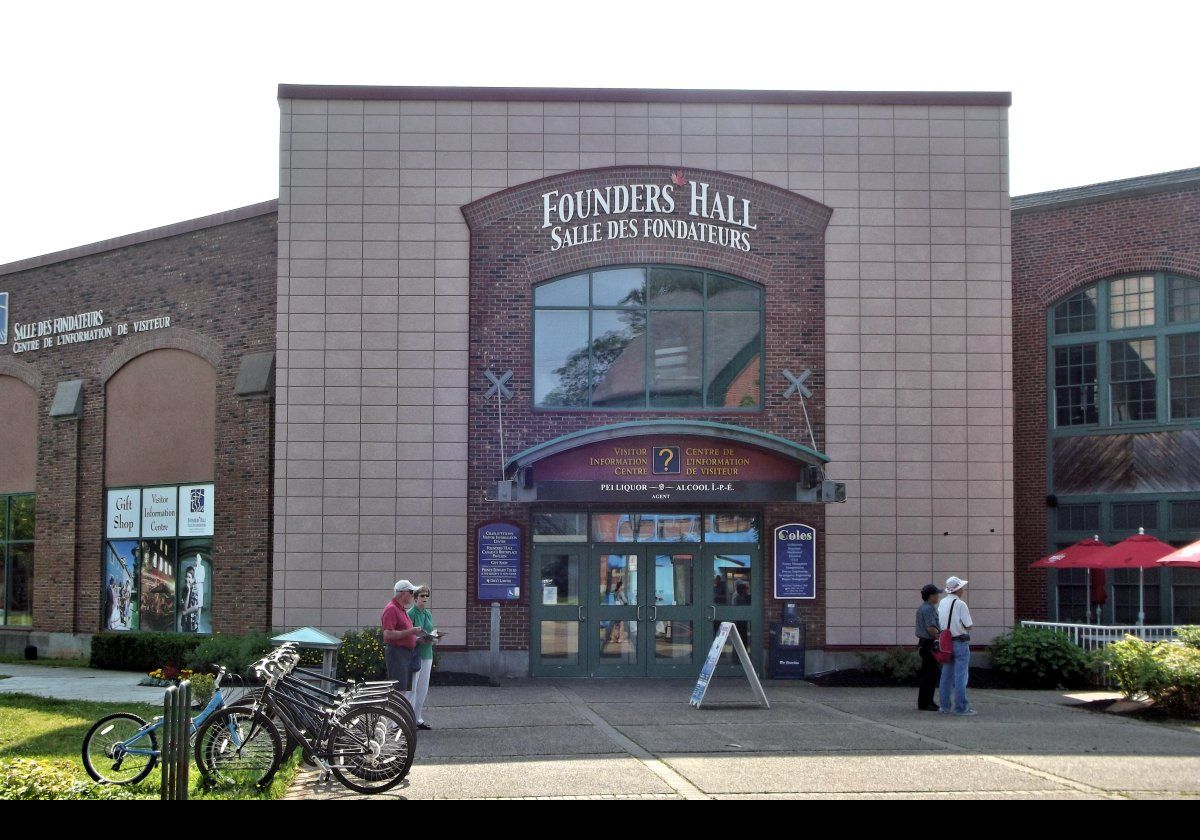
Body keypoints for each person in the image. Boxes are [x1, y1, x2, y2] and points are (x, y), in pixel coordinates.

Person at [937, 576, 976, 716]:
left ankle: (944, 706)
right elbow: (968, 625)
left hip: (945, 642)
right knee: (961, 676)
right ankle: (961, 707)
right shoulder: (960, 604)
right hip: (959, 641)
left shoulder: (942, 603)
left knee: (946, 675)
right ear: (958, 590)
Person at [381, 579, 425, 695]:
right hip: (397, 653)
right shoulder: (392, 609)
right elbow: (388, 634)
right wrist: (411, 631)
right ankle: (394, 713)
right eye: (411, 592)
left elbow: (404, 633)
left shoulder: (401, 609)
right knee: (398, 691)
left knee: (403, 690)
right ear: (403, 593)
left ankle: (398, 713)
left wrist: (419, 639)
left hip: (405, 653)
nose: (412, 595)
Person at [407, 586, 438, 730]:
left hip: (427, 653)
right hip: (415, 654)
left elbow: (431, 630)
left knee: (423, 688)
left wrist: (434, 638)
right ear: (415, 598)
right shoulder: (410, 613)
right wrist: (419, 640)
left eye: (426, 596)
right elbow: (407, 634)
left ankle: (418, 718)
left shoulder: (428, 614)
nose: (424, 599)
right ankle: (407, 720)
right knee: (412, 688)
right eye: (422, 596)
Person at [915, 584, 942, 711]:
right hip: (929, 643)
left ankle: (924, 701)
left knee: (927, 673)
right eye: (936, 594)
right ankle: (927, 702)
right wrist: (940, 637)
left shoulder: (922, 608)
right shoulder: (929, 609)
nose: (938, 597)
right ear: (931, 596)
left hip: (923, 643)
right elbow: (931, 628)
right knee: (932, 674)